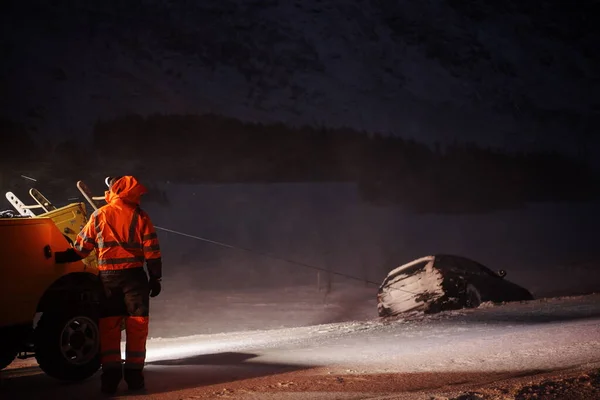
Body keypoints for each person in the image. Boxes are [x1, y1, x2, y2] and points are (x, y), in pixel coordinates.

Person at [55, 175, 163, 394]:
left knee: (109, 328)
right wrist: (155, 277)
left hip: (108, 281)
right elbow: (152, 250)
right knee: (137, 326)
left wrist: (61, 258)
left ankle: (110, 378)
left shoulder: (99, 215)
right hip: (135, 279)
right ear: (130, 193)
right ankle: (134, 377)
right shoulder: (141, 216)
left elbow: (81, 249)